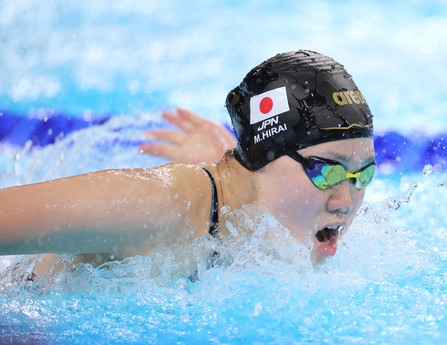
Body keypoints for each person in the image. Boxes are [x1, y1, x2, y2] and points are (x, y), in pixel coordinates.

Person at [0, 50, 375, 280]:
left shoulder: (253, 207)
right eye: (329, 171)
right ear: (264, 160)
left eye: (363, 175)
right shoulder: (154, 206)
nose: (346, 199)